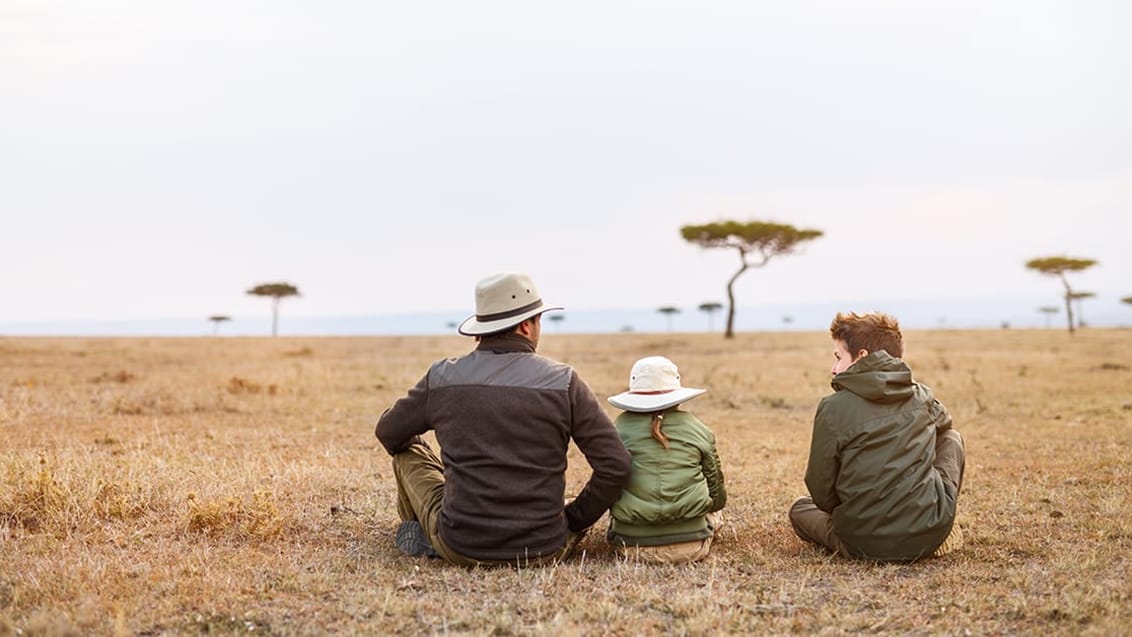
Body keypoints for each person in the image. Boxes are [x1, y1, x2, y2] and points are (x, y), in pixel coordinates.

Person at [375, 272, 632, 566]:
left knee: (409, 451)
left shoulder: (443, 376)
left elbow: (388, 433)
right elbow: (616, 465)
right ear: (526, 326)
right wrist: (572, 519)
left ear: (481, 329)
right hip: (545, 548)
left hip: (460, 544)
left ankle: (422, 533)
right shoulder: (564, 382)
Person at [789, 311, 966, 561]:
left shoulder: (833, 407)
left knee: (799, 509)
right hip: (928, 534)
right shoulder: (921, 395)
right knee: (951, 439)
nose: (833, 368)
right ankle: (936, 520)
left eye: (839, 357)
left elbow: (820, 489)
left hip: (861, 542)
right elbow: (945, 425)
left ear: (861, 356)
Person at [605, 356, 727, 564]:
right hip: (691, 545)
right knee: (717, 515)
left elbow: (606, 484)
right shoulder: (697, 428)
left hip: (631, 546)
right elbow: (716, 493)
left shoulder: (617, 428)